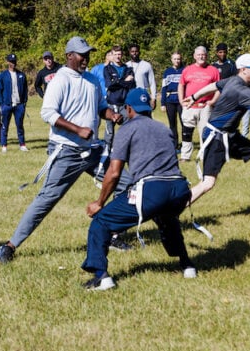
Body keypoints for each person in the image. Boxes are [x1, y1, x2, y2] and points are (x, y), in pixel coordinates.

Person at [0, 37, 128, 264]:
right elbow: (48, 113)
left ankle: (113, 233)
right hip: (66, 151)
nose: (85, 58)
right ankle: (10, 245)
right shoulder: (60, 80)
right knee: (47, 199)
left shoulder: (92, 80)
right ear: (69, 56)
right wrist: (77, 129)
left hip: (92, 151)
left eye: (87, 53)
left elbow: (100, 108)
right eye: (81, 54)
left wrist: (112, 115)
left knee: (126, 183)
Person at [81, 88, 196, 290]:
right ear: (149, 107)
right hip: (180, 189)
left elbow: (114, 172)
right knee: (167, 217)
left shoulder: (126, 129)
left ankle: (101, 277)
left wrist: (99, 203)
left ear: (128, 108)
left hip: (153, 189)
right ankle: (187, 265)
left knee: (101, 222)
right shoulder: (164, 129)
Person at [185, 53, 250, 215]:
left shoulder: (233, 80)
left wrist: (194, 96)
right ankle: (173, 210)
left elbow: (213, 86)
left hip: (230, 135)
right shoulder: (242, 90)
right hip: (217, 137)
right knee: (208, 183)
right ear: (243, 69)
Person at [178, 46, 220, 162]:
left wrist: (212, 101)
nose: (201, 57)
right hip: (190, 106)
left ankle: (204, 156)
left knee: (205, 133)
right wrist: (181, 100)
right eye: (199, 55)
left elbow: (218, 88)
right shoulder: (187, 69)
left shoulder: (213, 70)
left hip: (205, 107)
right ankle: (185, 156)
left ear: (206, 56)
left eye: (203, 55)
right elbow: (181, 85)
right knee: (186, 132)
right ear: (194, 56)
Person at [103, 45, 135, 151]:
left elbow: (131, 85)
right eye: (115, 54)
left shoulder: (128, 69)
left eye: (119, 54)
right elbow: (109, 84)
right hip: (111, 104)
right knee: (109, 132)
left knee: (126, 129)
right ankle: (106, 151)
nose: (118, 56)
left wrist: (117, 82)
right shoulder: (107, 69)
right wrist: (124, 81)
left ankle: (124, 150)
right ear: (112, 55)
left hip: (124, 104)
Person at [0, 54, 29, 152]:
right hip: (7, 104)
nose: (13, 63)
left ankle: (22, 144)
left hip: (19, 104)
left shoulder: (21, 75)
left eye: (14, 61)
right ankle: (4, 145)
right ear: (7, 62)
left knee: (19, 125)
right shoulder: (3, 75)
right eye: (11, 61)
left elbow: (25, 90)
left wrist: (24, 103)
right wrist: (1, 103)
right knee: (4, 126)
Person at [160, 52, 184, 151]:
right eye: (175, 59)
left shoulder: (184, 70)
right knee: (172, 123)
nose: (177, 61)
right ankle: (174, 144)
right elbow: (164, 88)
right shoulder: (167, 72)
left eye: (178, 59)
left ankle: (185, 144)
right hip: (170, 100)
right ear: (171, 60)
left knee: (184, 122)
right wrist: (162, 103)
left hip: (181, 100)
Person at [126, 43, 157, 109]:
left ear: (139, 52)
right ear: (129, 52)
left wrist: (153, 98)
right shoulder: (126, 66)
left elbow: (152, 82)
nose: (134, 53)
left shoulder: (146, 65)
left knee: (145, 116)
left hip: (143, 95)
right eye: (132, 51)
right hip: (131, 95)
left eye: (136, 51)